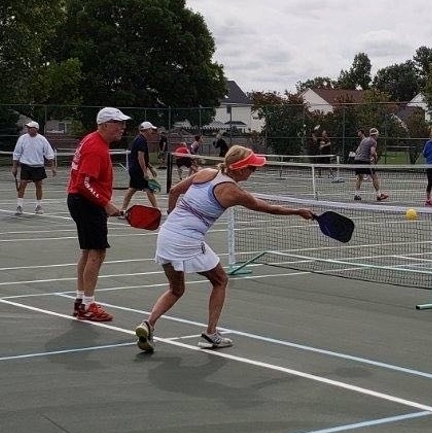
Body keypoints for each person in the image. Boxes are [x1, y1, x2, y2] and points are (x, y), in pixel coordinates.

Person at [134, 146, 314, 352]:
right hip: (186, 240)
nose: (253, 172)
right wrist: (298, 211)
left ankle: (148, 324)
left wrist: (172, 214)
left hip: (166, 235)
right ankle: (210, 334)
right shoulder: (234, 192)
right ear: (238, 169)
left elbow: (174, 191)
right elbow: (269, 208)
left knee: (176, 289)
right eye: (251, 168)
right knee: (220, 280)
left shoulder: (205, 173)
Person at [67, 107, 129, 322]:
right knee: (97, 252)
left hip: (82, 201)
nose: (122, 127)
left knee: (88, 252)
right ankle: (87, 304)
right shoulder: (96, 147)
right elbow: (83, 183)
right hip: (86, 202)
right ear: (103, 125)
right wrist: (105, 204)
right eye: (117, 123)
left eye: (122, 123)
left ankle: (81, 301)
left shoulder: (94, 140)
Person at [11, 121, 57, 215]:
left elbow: (49, 153)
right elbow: (17, 153)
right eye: (28, 128)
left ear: (36, 129)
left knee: (39, 185)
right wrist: (14, 167)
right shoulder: (22, 139)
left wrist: (52, 167)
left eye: (30, 128)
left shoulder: (42, 139)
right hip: (26, 166)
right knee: (22, 184)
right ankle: (19, 206)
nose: (28, 129)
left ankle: (38, 206)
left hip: (38, 166)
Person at [122, 121, 160, 209]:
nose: (152, 132)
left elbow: (144, 158)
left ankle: (123, 209)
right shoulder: (141, 140)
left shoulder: (140, 139)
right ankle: (156, 209)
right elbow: (140, 157)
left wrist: (150, 168)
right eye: (151, 129)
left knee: (133, 189)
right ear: (146, 130)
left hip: (135, 169)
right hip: (137, 170)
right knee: (148, 189)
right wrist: (145, 172)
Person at [352, 127, 389, 201]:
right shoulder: (374, 142)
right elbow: (372, 152)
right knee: (374, 177)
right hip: (364, 161)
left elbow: (358, 150)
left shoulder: (364, 140)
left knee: (360, 177)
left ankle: (356, 194)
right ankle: (379, 195)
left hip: (357, 160)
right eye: (377, 135)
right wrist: (375, 158)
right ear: (375, 135)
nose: (378, 136)